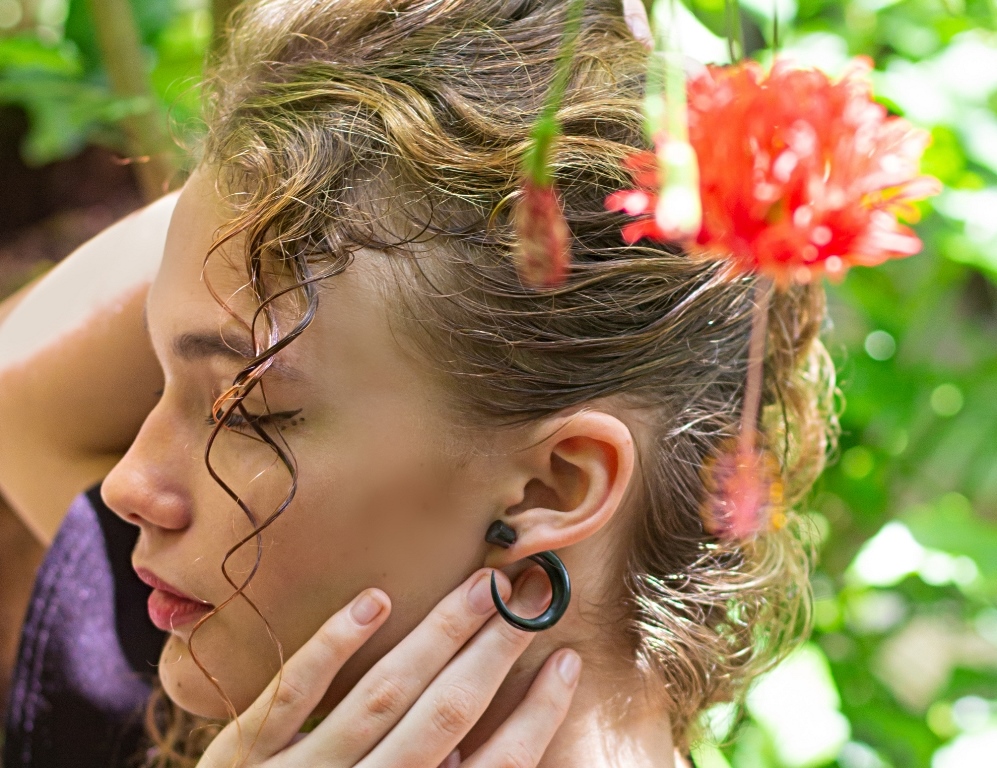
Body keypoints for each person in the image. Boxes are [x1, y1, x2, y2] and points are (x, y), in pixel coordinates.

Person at [0, 0, 836, 765]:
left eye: (242, 408)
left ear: (553, 484)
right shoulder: (241, 663)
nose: (130, 485)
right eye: (158, 379)